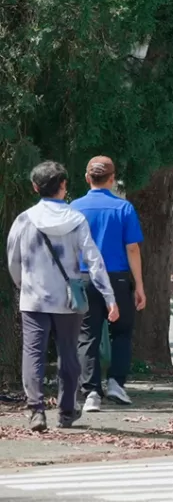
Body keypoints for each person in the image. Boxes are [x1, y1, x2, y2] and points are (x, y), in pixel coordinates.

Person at [6, 161, 117, 432]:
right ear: (64, 185)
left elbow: (13, 260)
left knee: (33, 353)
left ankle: (36, 410)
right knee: (68, 353)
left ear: (35, 187)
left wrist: (22, 284)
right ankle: (66, 411)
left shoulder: (24, 219)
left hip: (34, 299)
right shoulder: (76, 219)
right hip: (69, 300)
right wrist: (109, 296)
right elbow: (94, 260)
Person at [73, 156, 145, 411]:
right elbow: (132, 248)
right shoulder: (123, 208)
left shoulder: (74, 208)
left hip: (85, 277)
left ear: (87, 177)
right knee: (122, 332)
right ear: (112, 179)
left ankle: (91, 392)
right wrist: (139, 285)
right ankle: (116, 383)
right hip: (118, 277)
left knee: (87, 335)